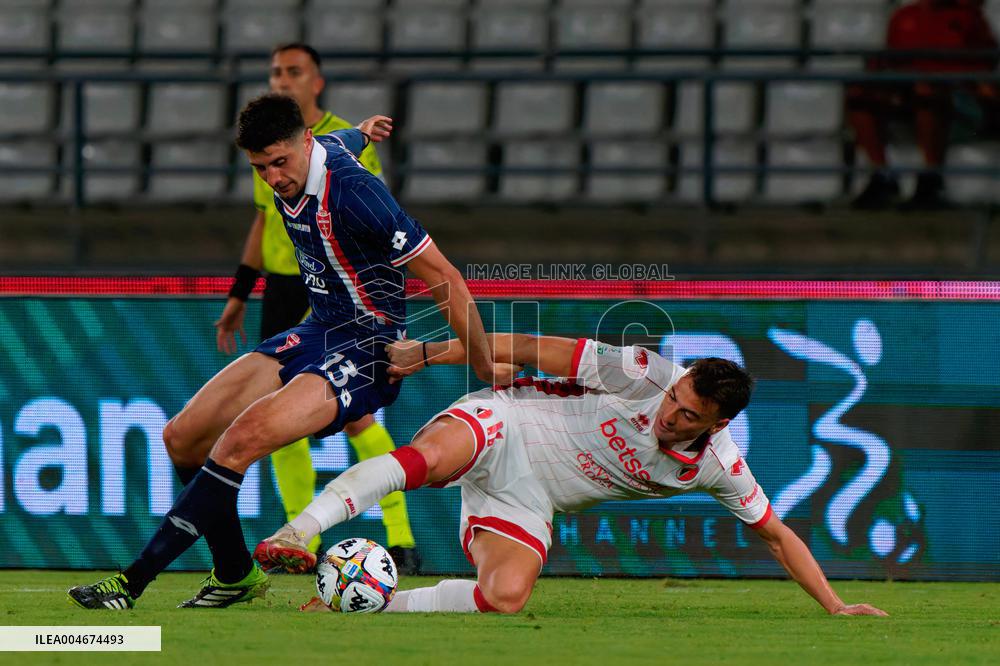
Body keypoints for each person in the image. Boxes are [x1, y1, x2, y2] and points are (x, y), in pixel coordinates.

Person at [67, 93, 498, 610]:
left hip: (368, 348)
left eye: (280, 162)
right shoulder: (317, 150)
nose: (272, 177)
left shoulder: (359, 193)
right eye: (259, 167)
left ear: (305, 143)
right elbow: (345, 139)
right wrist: (365, 129)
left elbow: (445, 277)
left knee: (238, 441)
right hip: (318, 328)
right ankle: (234, 574)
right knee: (182, 437)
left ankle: (131, 583)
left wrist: (481, 362)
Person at [258, 333, 888, 617]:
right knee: (422, 463)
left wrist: (835, 605)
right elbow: (529, 348)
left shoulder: (719, 468)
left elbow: (777, 534)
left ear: (716, 424)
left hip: (529, 496)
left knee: (505, 600)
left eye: (687, 414)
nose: (668, 413)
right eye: (675, 397)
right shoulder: (641, 371)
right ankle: (298, 532)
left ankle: (371, 604)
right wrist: (430, 353)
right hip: (507, 420)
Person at [214, 42, 420, 573]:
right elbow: (263, 220)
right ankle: (294, 537)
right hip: (284, 286)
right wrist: (240, 292)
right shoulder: (264, 153)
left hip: (338, 290)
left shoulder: (338, 143)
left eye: (294, 71)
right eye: (276, 70)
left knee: (353, 415)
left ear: (317, 82)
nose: (283, 79)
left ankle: (400, 536)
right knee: (274, 412)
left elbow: (376, 217)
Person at [848, 0, 999, 210]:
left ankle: (931, 179)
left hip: (957, 102)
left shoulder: (969, 18)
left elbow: (984, 75)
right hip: (908, 97)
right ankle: (882, 175)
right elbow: (887, 64)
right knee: (860, 91)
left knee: (927, 89)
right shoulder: (903, 17)